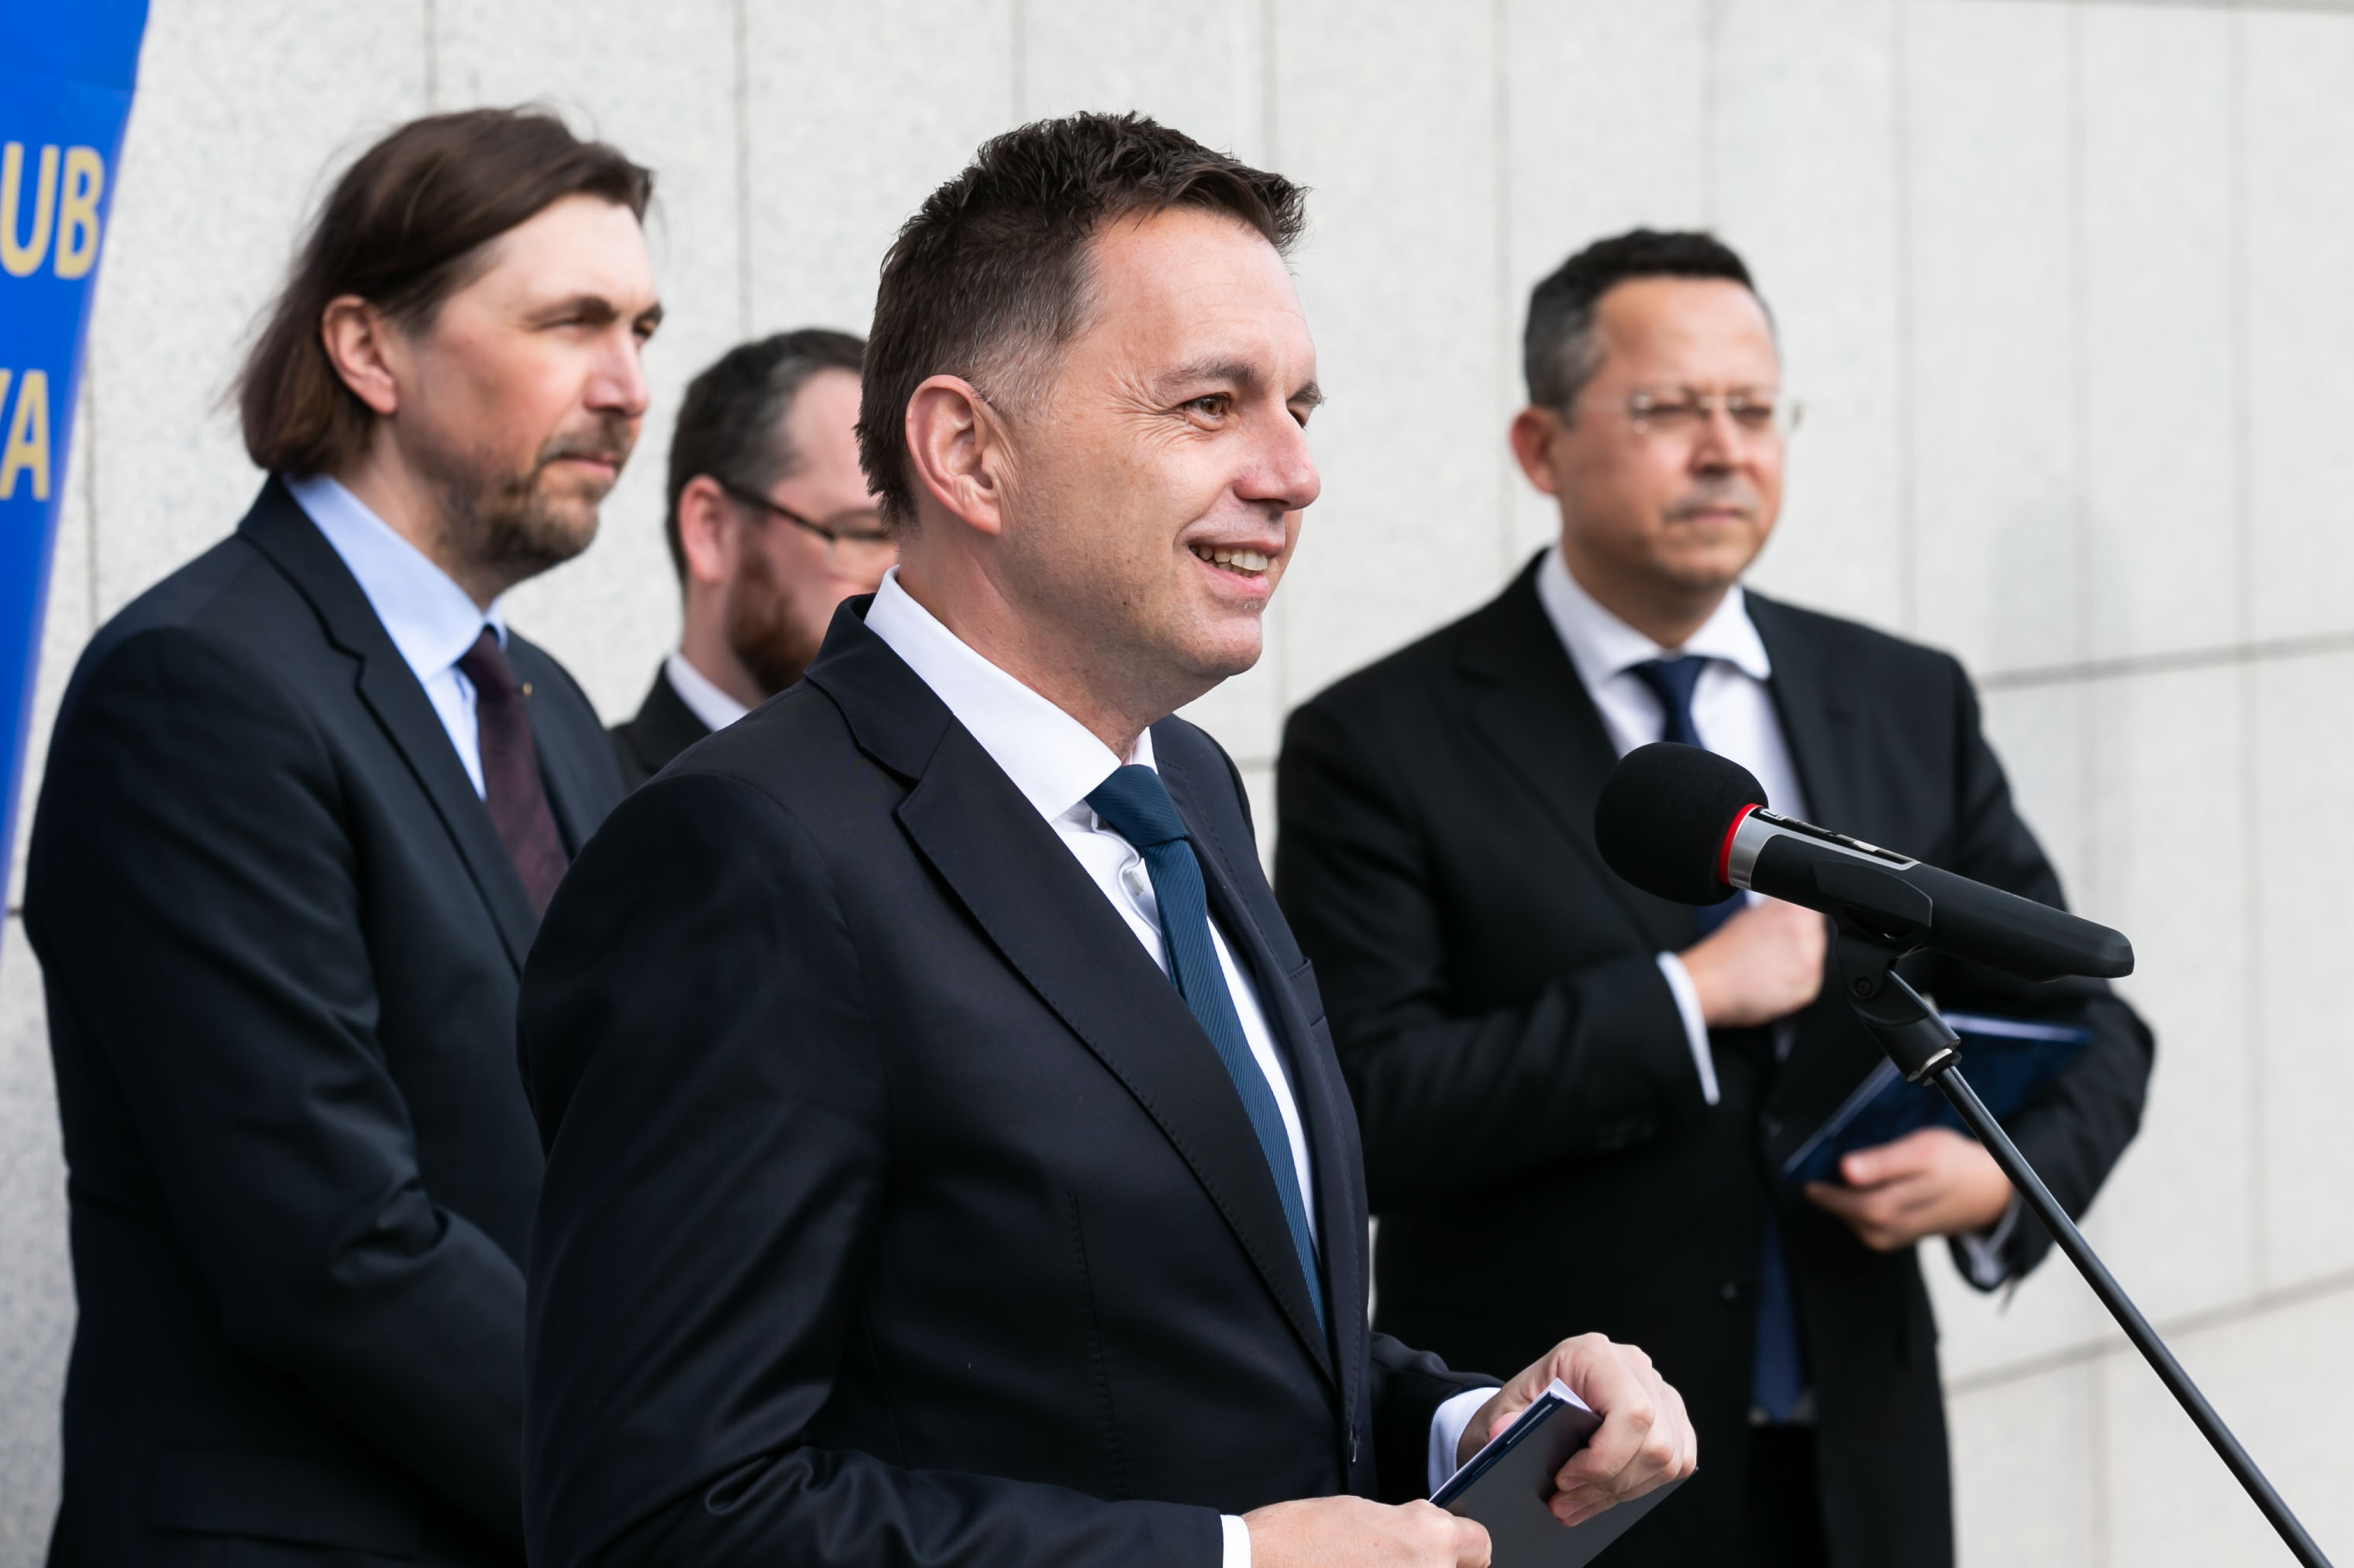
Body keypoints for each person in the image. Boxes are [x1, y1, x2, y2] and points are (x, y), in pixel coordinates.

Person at [518, 115, 1696, 1568]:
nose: (1292, 472)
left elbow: (1205, 1324)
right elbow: (658, 1515)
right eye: (1209, 404)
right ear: (967, 451)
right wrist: (1231, 1562)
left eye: (1298, 407)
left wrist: (1472, 1426)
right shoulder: (745, 852)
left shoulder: (1188, 783)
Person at [1274, 229, 2153, 1568]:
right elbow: (1360, 1114)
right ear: (1539, 445)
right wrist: (1681, 998)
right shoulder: (1379, 739)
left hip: (1859, 1462)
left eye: (1752, 409)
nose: (1723, 450)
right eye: (1669, 409)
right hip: (1574, 1476)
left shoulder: (1900, 697)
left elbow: (2086, 1017)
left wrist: (1992, 1181)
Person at [27, 108, 659, 1566]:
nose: (628, 387)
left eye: (641, 328)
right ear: (370, 349)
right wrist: (660, 1490)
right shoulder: (197, 686)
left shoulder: (547, 705)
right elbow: (328, 1242)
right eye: (570, 321)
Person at [610, 328, 893, 787]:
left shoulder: (946, 801)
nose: (904, 581)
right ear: (712, 530)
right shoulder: (586, 808)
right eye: (864, 534)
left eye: (921, 543)